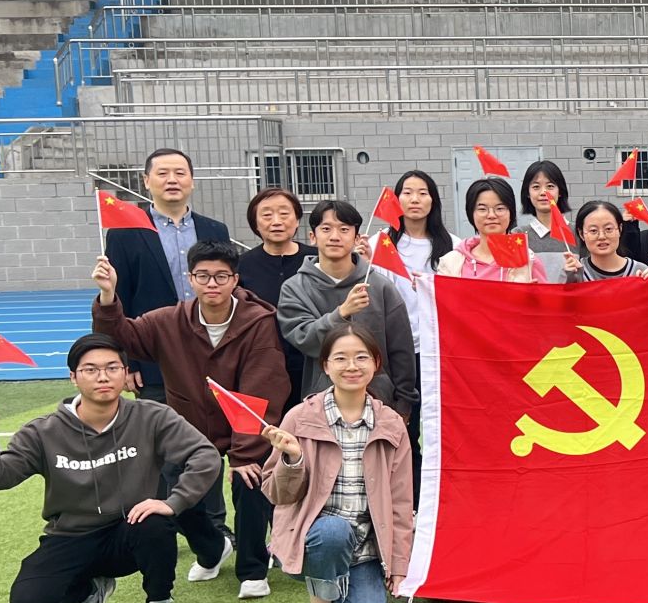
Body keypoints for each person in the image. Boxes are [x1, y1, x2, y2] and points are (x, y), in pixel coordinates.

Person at [0, 332, 221, 603]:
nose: (103, 377)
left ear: (125, 374)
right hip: (72, 536)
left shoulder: (151, 416)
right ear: (73, 377)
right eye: (91, 369)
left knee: (155, 520)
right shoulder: (43, 431)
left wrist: (173, 502)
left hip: (131, 529)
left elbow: (205, 455)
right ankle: (92, 587)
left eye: (112, 368)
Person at [91, 238, 291, 599]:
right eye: (203, 276)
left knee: (250, 481)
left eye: (221, 276)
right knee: (174, 493)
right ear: (190, 279)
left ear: (235, 280)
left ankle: (252, 568)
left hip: (245, 425)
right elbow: (120, 337)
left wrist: (244, 455)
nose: (212, 284)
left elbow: (262, 386)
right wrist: (108, 295)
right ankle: (212, 549)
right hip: (189, 425)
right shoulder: (169, 320)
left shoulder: (259, 322)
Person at [263, 324, 414, 603]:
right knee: (334, 530)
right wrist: (292, 459)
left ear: (376, 363)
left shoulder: (391, 424)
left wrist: (399, 564)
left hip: (365, 549)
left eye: (361, 357)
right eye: (341, 358)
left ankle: (338, 593)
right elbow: (275, 493)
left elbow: (402, 501)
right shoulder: (299, 418)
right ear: (326, 365)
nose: (351, 366)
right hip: (315, 540)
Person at [277, 199, 420, 426]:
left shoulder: (379, 286)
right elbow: (304, 338)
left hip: (380, 403)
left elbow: (401, 350)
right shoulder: (295, 288)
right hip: (320, 406)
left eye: (344, 229)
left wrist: (404, 403)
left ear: (356, 238)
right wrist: (342, 312)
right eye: (326, 229)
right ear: (312, 237)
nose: (335, 236)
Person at [103, 147, 229, 396]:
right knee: (159, 420)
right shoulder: (124, 233)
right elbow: (120, 298)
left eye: (180, 173)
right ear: (146, 181)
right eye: (163, 173)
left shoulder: (215, 230)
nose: (172, 180)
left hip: (213, 352)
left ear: (192, 181)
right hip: (153, 359)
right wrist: (129, 360)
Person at [237, 186, 310, 412]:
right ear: (255, 224)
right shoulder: (241, 265)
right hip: (262, 366)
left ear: (297, 220)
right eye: (267, 215)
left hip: (311, 363)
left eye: (284, 213)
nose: (276, 221)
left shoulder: (316, 259)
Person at [436, 176, 551, 282]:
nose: (491, 215)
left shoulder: (529, 261)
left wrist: (532, 295)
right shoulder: (451, 262)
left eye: (500, 208)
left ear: (511, 213)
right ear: (471, 214)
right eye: (482, 209)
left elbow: (545, 296)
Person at [562, 200, 648, 281]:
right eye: (593, 230)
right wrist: (570, 282)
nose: (602, 236)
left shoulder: (639, 271)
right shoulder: (575, 272)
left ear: (620, 229)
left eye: (608, 229)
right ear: (581, 234)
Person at [520, 160, 574, 267]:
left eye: (550, 186)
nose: (543, 192)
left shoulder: (578, 233)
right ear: (527, 193)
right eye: (536, 187)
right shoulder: (519, 235)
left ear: (560, 192)